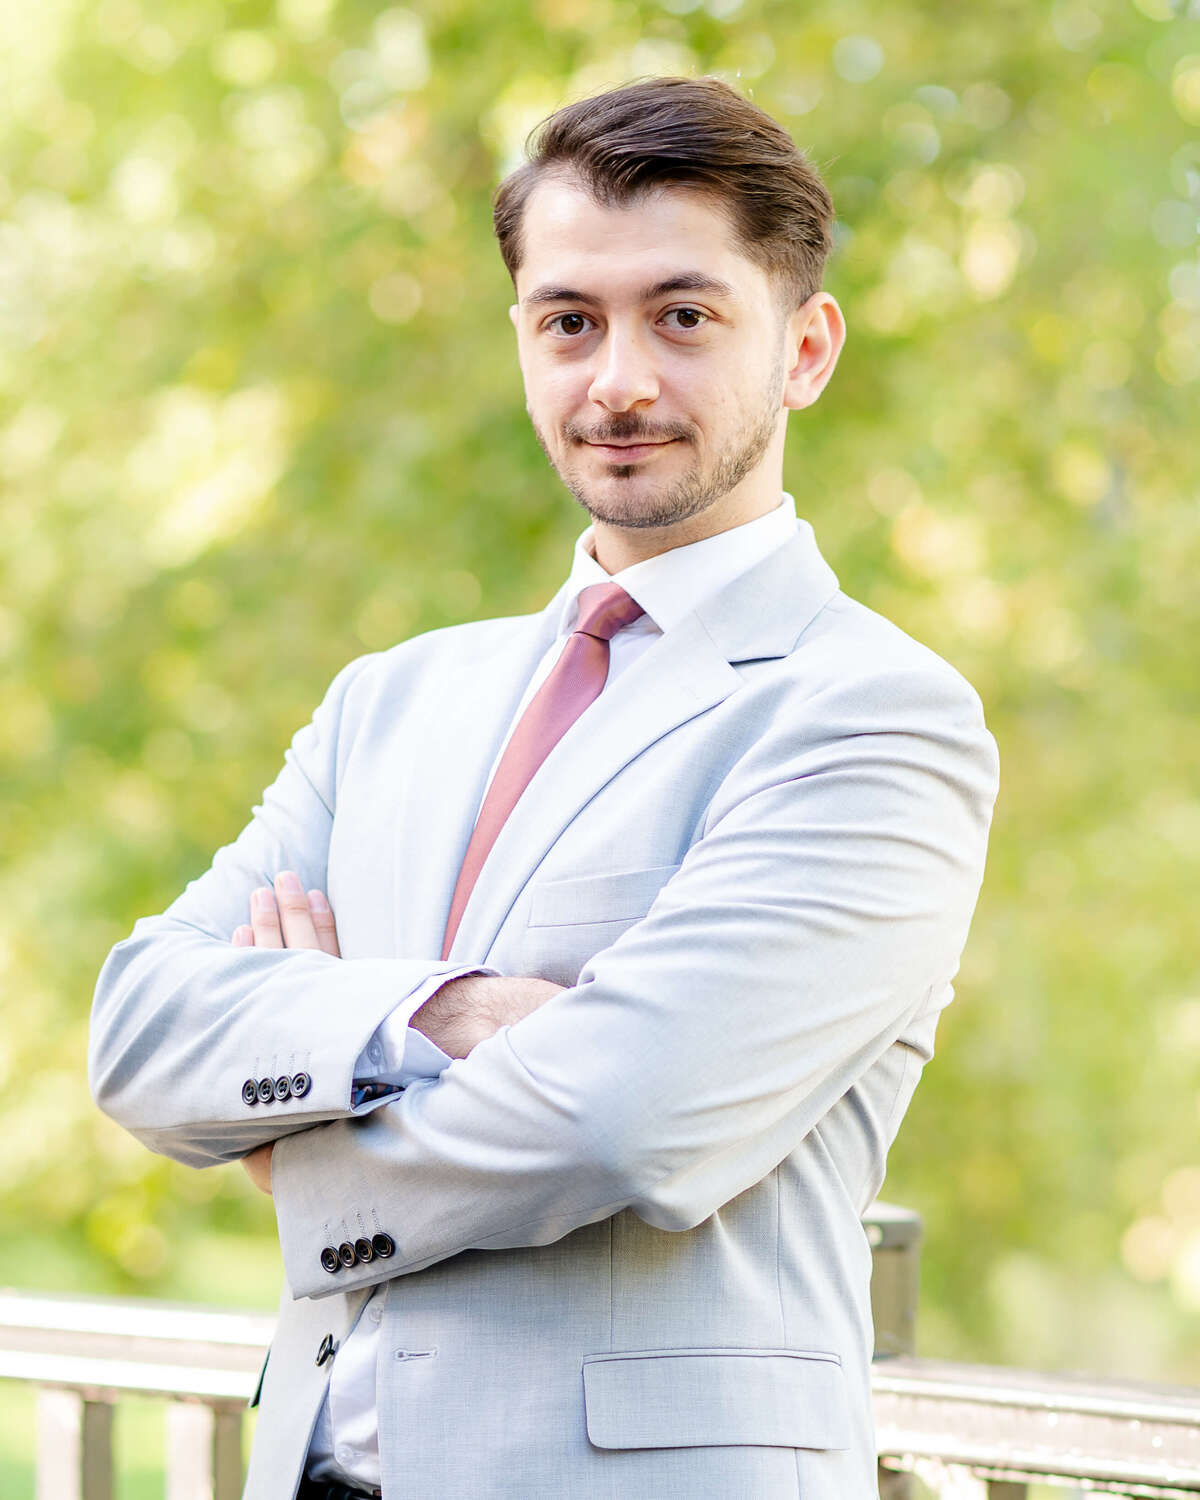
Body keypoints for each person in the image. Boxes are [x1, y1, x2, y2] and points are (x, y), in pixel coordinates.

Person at [90, 74, 999, 1500]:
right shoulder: (390, 699)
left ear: (806, 349)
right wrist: (444, 1013)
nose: (617, 380)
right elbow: (142, 1028)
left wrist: (302, 1135)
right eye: (569, 320)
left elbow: (626, 1119)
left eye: (682, 317)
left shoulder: (872, 714)